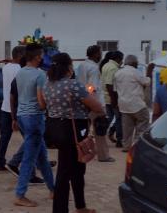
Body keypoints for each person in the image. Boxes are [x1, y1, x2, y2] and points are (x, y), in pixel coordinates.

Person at [44, 53, 102, 213]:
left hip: (55, 129)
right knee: (65, 172)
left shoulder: (48, 85)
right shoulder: (73, 85)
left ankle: (80, 206)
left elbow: (44, 105)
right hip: (73, 130)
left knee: (77, 168)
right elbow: (98, 107)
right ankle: (60, 209)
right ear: (68, 67)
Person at [12, 43, 55, 207]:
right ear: (38, 57)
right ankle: (20, 194)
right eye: (42, 55)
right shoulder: (40, 75)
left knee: (41, 157)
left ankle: (53, 188)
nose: (43, 58)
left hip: (23, 116)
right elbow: (41, 101)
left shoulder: (20, 72)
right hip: (34, 117)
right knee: (29, 158)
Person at [76, 45, 114, 162]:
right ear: (96, 54)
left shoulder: (81, 65)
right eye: (100, 53)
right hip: (94, 102)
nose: (101, 56)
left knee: (82, 130)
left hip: (82, 100)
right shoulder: (93, 68)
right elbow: (91, 87)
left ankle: (80, 152)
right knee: (100, 129)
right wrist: (92, 102)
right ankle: (103, 156)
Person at [0, 46, 25, 171]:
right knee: (31, 137)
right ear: (19, 56)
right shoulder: (21, 69)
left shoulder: (6, 68)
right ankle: (39, 161)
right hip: (18, 107)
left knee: (5, 136)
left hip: (6, 106)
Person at [113, 55, 151, 152]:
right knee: (143, 124)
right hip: (137, 105)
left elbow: (115, 89)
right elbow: (146, 82)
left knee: (127, 128)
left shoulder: (118, 73)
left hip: (123, 105)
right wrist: (149, 72)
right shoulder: (135, 72)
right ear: (134, 63)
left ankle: (126, 146)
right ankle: (137, 146)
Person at [100, 51, 124, 148]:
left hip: (107, 97)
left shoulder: (106, 65)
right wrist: (114, 99)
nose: (122, 61)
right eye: (121, 59)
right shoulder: (113, 68)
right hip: (113, 96)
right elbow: (109, 84)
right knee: (119, 118)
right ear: (118, 58)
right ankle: (119, 139)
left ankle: (102, 135)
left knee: (110, 118)